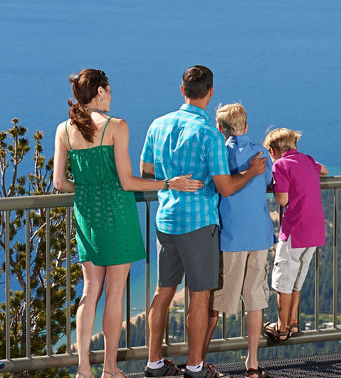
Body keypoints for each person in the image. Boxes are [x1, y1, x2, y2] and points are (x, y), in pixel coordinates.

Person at [52, 69, 203, 378]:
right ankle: (109, 368)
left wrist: (86, 190)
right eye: (109, 90)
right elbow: (127, 181)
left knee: (90, 290)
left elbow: (59, 182)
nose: (111, 95)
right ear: (99, 93)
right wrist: (168, 184)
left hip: (87, 213)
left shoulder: (63, 130)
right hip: (116, 214)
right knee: (115, 291)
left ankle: (83, 370)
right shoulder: (116, 126)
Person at [141, 66, 266, 378]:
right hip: (199, 224)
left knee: (163, 292)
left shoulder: (159, 125)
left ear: (182, 91)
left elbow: (145, 172)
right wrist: (250, 172)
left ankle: (154, 364)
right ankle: (195, 368)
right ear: (210, 93)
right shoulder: (210, 134)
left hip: (167, 220)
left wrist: (170, 182)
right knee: (199, 296)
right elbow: (225, 187)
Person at [210, 104, 273, 378]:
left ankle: (198, 360)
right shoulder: (262, 153)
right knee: (255, 300)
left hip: (230, 237)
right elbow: (269, 179)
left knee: (219, 300)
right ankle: (253, 363)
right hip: (259, 235)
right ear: (246, 127)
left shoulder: (219, 154)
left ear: (220, 129)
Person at [261, 128, 328, 342]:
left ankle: (281, 329)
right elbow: (323, 170)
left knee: (283, 281)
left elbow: (282, 199)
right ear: (295, 146)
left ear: (272, 150)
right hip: (314, 230)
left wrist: (275, 184)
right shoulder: (307, 160)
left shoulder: (280, 165)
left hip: (294, 230)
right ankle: (293, 323)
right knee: (298, 278)